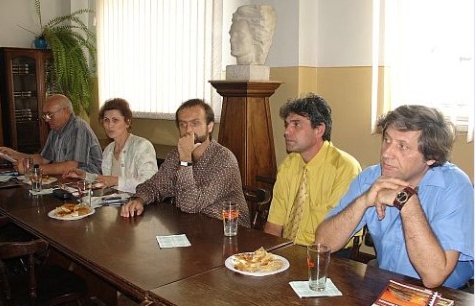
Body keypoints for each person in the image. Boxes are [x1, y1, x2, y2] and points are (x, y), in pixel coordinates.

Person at [315, 105, 474, 289]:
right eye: (387, 140)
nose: (386, 153)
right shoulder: (371, 177)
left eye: (402, 146)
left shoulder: (455, 186)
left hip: (446, 297)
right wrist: (364, 201)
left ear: (432, 157)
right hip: (388, 285)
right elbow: (322, 244)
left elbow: (433, 277)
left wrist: (407, 201)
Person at [121, 98, 250, 227]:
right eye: (183, 124)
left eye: (195, 123)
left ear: (209, 126)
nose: (188, 130)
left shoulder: (224, 159)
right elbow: (154, 186)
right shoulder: (176, 155)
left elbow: (190, 204)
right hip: (192, 226)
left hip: (228, 231)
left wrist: (185, 160)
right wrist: (139, 200)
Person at [264, 94, 361, 247]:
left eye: (296, 124)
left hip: (329, 254)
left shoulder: (344, 168)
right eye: (287, 124)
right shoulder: (289, 164)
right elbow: (274, 224)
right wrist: (266, 259)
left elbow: (334, 238)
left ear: (319, 130)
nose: (287, 131)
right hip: (288, 250)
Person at [63, 98, 158, 193]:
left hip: (138, 204)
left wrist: (116, 181)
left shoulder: (142, 146)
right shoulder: (108, 150)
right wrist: (84, 175)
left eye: (115, 120)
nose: (110, 125)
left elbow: (149, 183)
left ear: (127, 122)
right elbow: (106, 180)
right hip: (113, 203)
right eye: (106, 120)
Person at [0, 94, 102, 175]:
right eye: (45, 115)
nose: (47, 119)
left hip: (88, 184)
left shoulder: (78, 127)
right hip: (68, 182)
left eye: (50, 114)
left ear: (66, 111)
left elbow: (71, 166)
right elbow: (43, 159)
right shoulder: (55, 129)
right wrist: (14, 154)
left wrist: (31, 170)